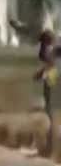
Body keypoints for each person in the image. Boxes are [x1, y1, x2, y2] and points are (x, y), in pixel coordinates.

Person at [35, 29, 60, 158]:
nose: (42, 47)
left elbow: (52, 70)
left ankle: (51, 150)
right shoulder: (51, 52)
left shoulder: (51, 52)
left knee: (53, 118)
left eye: (43, 43)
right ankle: (50, 149)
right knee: (52, 118)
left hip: (53, 88)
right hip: (52, 86)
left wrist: (41, 74)